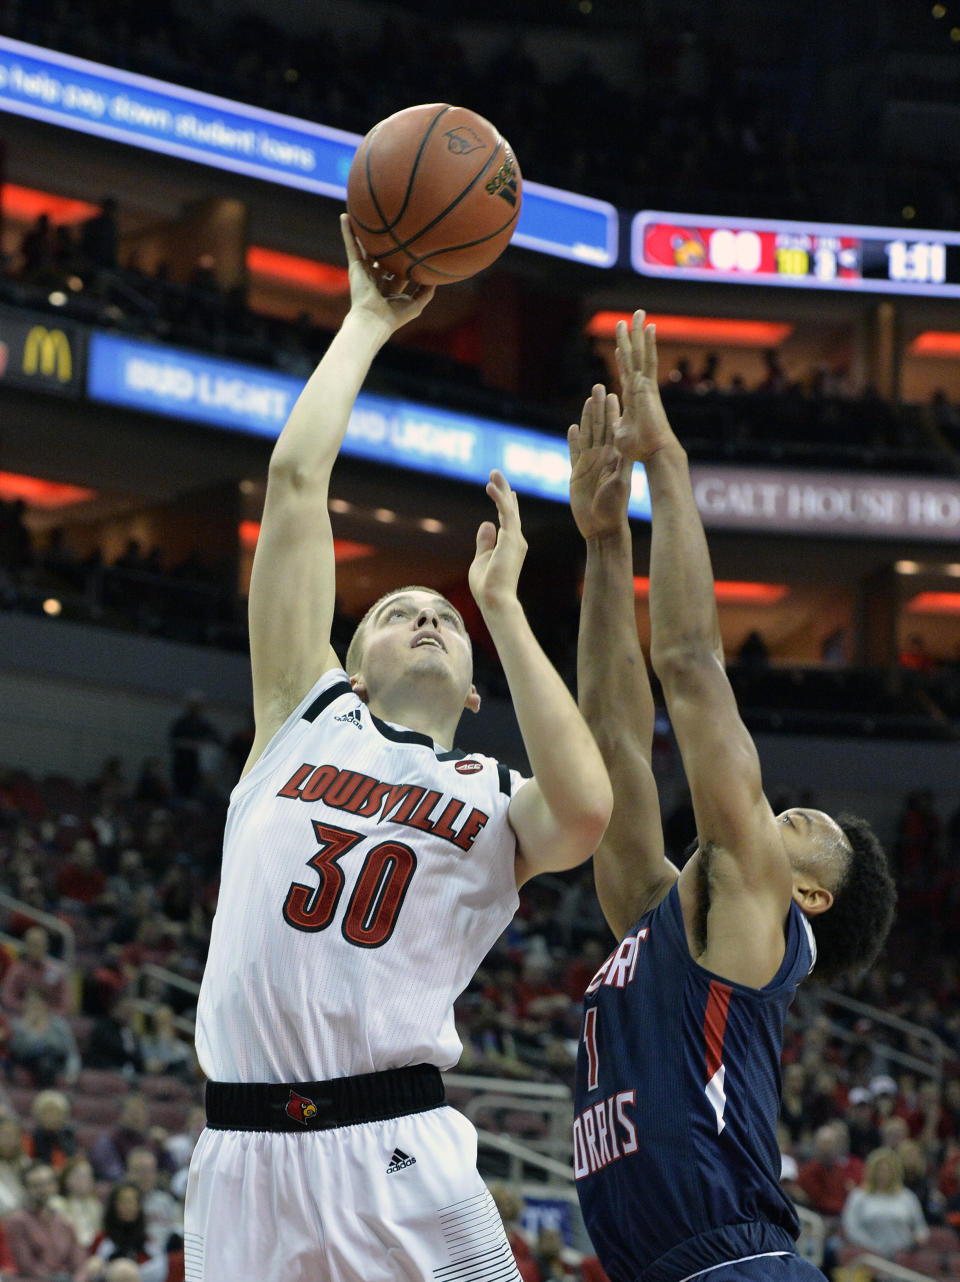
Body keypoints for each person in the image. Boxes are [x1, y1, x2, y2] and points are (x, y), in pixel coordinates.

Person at [183, 215, 612, 1282]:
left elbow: (588, 809)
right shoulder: (301, 713)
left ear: (474, 690)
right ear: (352, 660)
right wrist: (368, 320)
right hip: (241, 1160)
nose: (426, 616)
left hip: (401, 1152)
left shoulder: (491, 790)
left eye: (444, 618)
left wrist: (503, 607)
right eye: (395, 612)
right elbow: (293, 486)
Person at [567, 311, 897, 1282]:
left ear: (810, 897)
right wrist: (599, 547)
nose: (776, 812)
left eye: (804, 828)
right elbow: (616, 745)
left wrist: (665, 462)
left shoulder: (755, 914)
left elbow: (691, 666)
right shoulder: (661, 921)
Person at [841, 1146, 929, 1259]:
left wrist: (918, 1238)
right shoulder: (858, 1196)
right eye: (880, 1170)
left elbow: (921, 1228)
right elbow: (851, 1227)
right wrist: (872, 1247)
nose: (884, 1174)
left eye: (888, 1170)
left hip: (902, 1256)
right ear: (872, 1171)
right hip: (868, 1255)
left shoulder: (907, 1197)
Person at [4, 1160, 86, 1279]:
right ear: (25, 1188)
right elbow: (27, 1267)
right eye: (37, 1185)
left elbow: (79, 1261)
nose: (44, 1189)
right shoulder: (17, 1221)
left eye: (48, 1183)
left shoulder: (63, 1220)